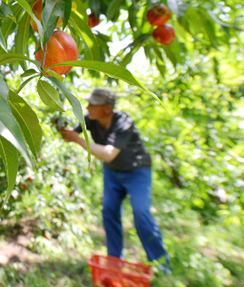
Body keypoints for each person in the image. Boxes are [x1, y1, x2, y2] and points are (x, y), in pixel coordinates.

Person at [58, 87, 170, 267]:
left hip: (136, 170)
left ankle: (161, 264)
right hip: (112, 172)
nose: (88, 107)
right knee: (109, 211)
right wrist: (62, 128)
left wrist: (77, 139)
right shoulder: (90, 120)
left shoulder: (123, 122)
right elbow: (71, 135)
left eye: (93, 104)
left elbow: (109, 153)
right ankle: (114, 260)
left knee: (141, 213)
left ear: (107, 108)